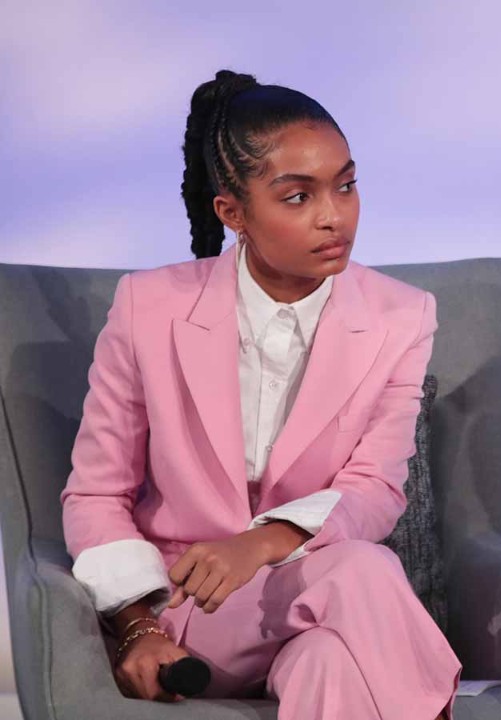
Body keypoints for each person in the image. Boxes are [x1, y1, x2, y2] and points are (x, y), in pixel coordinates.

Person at [60, 70, 460, 719]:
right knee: (362, 569)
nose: (334, 216)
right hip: (194, 615)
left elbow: (375, 488)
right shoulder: (148, 306)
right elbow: (96, 496)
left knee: (330, 662)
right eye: (298, 197)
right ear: (233, 213)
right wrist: (139, 629)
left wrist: (261, 543)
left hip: (327, 610)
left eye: (346, 185)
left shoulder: (401, 316)